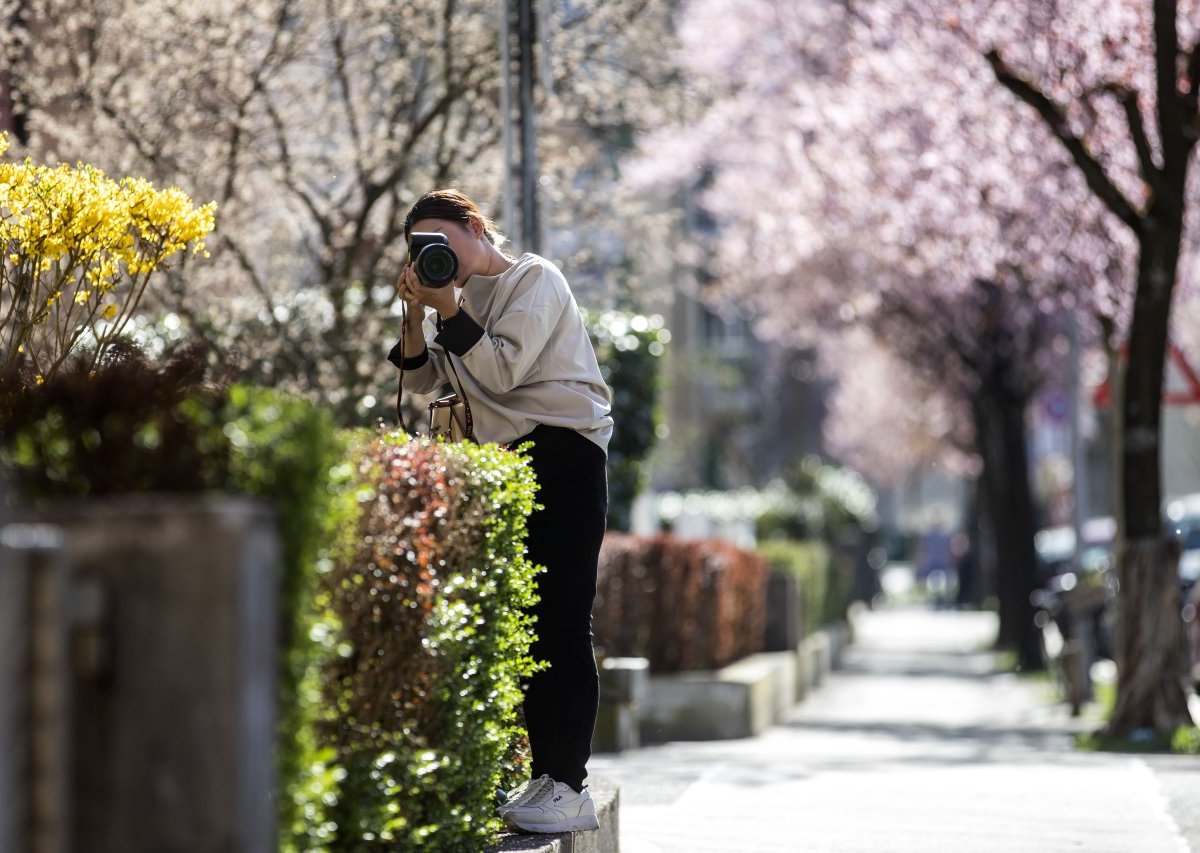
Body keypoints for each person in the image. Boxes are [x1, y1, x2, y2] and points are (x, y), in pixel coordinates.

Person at [389, 189, 613, 834]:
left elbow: (504, 370)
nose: (435, 254)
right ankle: (544, 775)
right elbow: (427, 377)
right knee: (524, 620)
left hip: (563, 451)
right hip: (504, 460)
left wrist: (447, 307)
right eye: (420, 247)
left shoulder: (533, 278)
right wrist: (414, 316)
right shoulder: (442, 301)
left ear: (476, 229)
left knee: (563, 619)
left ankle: (571, 786)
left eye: (443, 240)